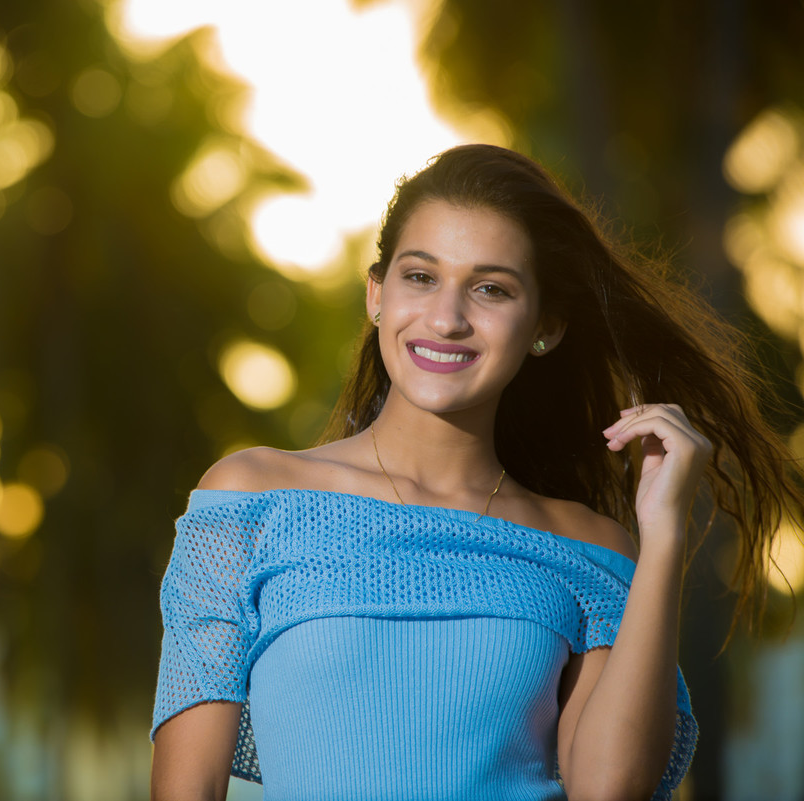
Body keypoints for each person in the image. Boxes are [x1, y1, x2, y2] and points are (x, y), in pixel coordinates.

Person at [149, 144, 802, 801]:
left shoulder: (588, 547)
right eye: (420, 276)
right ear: (377, 293)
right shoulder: (249, 501)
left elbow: (610, 791)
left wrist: (661, 536)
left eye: (491, 288)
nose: (446, 318)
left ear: (544, 325)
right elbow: (186, 789)